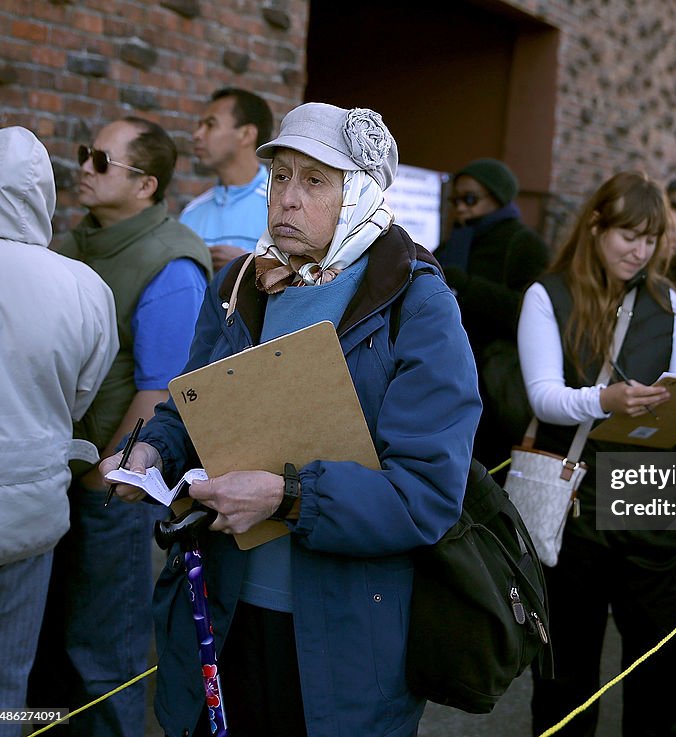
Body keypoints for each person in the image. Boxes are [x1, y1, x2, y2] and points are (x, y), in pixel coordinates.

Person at [99, 102, 481, 737]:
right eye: (279, 177)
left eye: (315, 181)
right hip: (222, 617)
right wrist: (153, 453)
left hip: (344, 637)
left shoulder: (417, 303)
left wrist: (286, 497)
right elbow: (187, 406)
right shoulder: (241, 282)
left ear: (358, 192)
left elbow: (428, 493)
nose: (287, 201)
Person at [518, 170, 676, 737]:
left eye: (650, 240)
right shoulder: (548, 294)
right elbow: (542, 396)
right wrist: (604, 399)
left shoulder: (667, 299)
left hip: (648, 492)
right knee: (568, 664)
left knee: (660, 660)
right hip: (576, 494)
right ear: (596, 226)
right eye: (628, 237)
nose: (640, 253)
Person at [28, 116, 212, 737]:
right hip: (52, 479)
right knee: (45, 652)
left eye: (102, 161)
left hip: (110, 490)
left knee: (103, 658)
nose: (83, 166)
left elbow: (161, 393)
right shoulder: (74, 242)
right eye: (86, 154)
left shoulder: (171, 266)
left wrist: (104, 481)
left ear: (146, 185)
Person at [0, 127, 117, 737]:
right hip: (32, 512)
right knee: (7, 686)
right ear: (44, 195)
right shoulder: (84, 286)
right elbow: (82, 396)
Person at [434, 157, 550, 468]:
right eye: (455, 200)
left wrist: (468, 287)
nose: (460, 208)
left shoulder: (523, 244)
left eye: (470, 199)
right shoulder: (454, 242)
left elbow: (532, 313)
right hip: (447, 374)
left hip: (495, 384)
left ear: (497, 197)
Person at [180, 88, 274, 271]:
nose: (197, 135)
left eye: (210, 124)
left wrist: (251, 264)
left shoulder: (281, 206)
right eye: (200, 125)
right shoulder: (191, 213)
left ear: (246, 134)